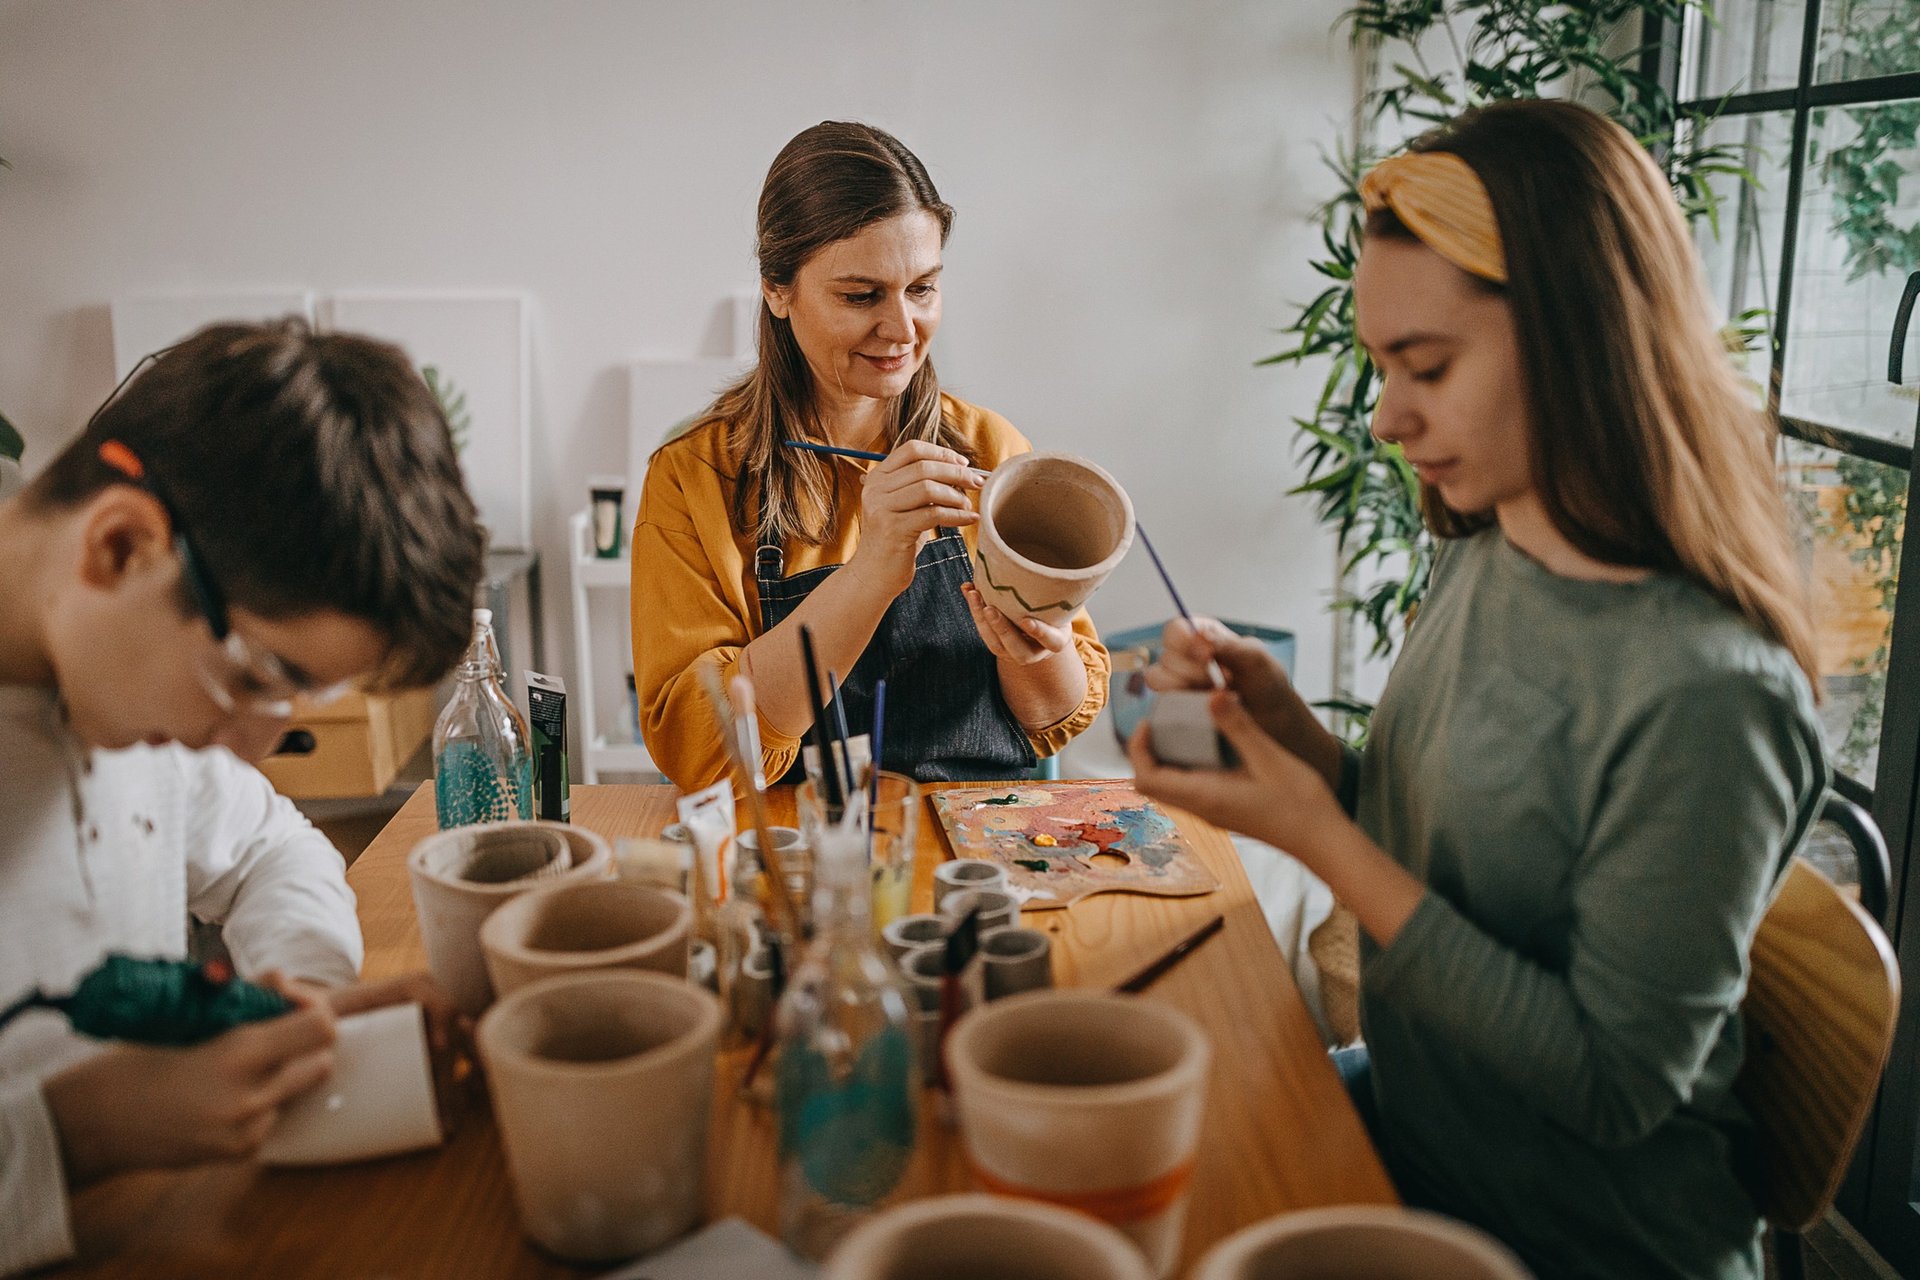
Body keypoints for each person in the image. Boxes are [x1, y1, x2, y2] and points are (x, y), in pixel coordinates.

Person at [1130, 99, 1827, 1280]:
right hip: (1420, 1138)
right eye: (1382, 366)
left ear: (1581, 338)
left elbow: (1613, 1083)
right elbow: (1456, 849)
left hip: (1573, 1238)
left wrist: (1314, 834)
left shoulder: (1710, 694)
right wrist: (1298, 742)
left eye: (1428, 366)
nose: (1388, 417)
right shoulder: (1488, 543)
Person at [0, 318, 487, 1275]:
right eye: (257, 677)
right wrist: (81, 1132)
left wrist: (302, 997)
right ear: (120, 546)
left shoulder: (113, 682)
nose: (251, 747)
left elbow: (273, 848)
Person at [632, 121, 1110, 792]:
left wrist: (1036, 651)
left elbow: (1054, 716)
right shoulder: (694, 477)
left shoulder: (991, 450)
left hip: (975, 837)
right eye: (861, 296)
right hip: (800, 842)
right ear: (777, 289)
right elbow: (704, 751)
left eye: (922, 288)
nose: (902, 328)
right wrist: (873, 571)